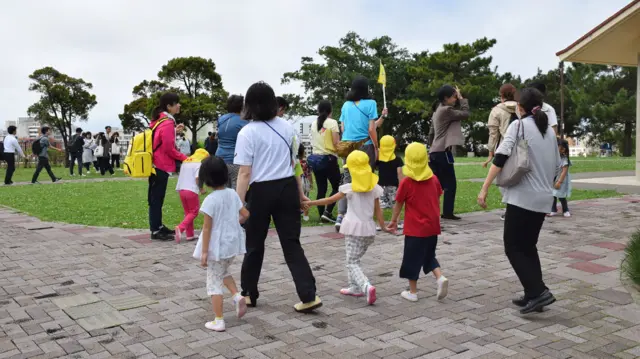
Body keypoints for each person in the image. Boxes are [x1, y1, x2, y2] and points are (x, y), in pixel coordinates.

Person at [234, 81, 322, 313]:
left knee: (254, 244)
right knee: (292, 244)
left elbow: (244, 173)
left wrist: (237, 204)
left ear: (249, 105)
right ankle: (308, 295)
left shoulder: (247, 132)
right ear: (274, 103)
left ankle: (249, 293)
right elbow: (294, 165)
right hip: (286, 190)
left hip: (260, 191)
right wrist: (301, 194)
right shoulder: (287, 128)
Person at [477, 87, 560, 314]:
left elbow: (500, 157)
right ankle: (534, 293)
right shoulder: (550, 133)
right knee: (528, 247)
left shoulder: (519, 125)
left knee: (513, 247)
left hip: (523, 197)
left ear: (520, 108)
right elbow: (557, 166)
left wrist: (484, 188)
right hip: (544, 198)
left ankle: (539, 292)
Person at [304, 150, 388, 305]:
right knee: (354, 258)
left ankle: (365, 286)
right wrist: (384, 227)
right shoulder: (374, 187)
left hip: (353, 230)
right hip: (369, 231)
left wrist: (311, 203)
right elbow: (378, 212)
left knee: (351, 262)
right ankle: (354, 287)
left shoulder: (348, 188)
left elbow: (329, 200)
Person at [193, 156, 249, 332]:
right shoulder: (232, 194)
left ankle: (219, 320)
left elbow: (207, 229)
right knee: (223, 271)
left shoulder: (210, 200)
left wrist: (204, 253)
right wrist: (233, 223)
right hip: (231, 245)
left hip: (216, 248)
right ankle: (237, 296)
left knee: (213, 282)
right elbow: (245, 214)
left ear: (206, 179)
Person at [387, 143, 448, 302]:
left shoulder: (406, 182)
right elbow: (438, 196)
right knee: (429, 255)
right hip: (432, 227)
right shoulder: (434, 179)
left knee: (411, 259)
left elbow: (398, 203)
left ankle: (412, 292)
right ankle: (440, 278)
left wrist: (394, 221)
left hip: (415, 229)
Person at [335, 76, 388, 231]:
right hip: (365, 146)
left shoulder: (346, 105)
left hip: (348, 147)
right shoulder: (371, 103)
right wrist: (376, 147)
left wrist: (382, 118)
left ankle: (341, 216)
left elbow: (344, 128)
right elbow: (371, 129)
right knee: (366, 179)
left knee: (347, 180)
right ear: (366, 89)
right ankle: (363, 214)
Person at [148, 92, 189, 241]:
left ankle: (157, 227)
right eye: (176, 103)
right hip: (160, 165)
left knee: (156, 199)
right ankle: (156, 230)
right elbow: (168, 149)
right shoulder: (167, 122)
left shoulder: (161, 120)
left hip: (156, 165)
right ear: (168, 106)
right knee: (156, 199)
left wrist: (174, 132)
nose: (179, 105)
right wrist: (186, 158)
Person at [428, 85, 469, 221]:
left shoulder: (438, 109)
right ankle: (447, 213)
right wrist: (462, 99)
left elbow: (431, 133)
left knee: (436, 185)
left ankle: (432, 211)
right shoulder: (446, 110)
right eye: (454, 96)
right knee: (450, 184)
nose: (456, 98)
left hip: (435, 151)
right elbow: (465, 114)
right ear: (446, 98)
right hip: (442, 152)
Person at [308, 100, 341, 223]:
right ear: (330, 111)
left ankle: (322, 215)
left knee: (321, 188)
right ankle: (328, 212)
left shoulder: (313, 123)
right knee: (338, 186)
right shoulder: (332, 123)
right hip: (329, 159)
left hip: (316, 160)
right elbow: (336, 143)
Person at [175, 149, 209, 243]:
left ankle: (190, 235)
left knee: (188, 213)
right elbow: (197, 177)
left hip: (182, 189)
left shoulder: (186, 161)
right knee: (194, 212)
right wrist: (201, 189)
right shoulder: (199, 164)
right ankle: (180, 228)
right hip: (191, 190)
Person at [216, 94, 249, 189]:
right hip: (235, 160)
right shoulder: (244, 122)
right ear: (242, 107)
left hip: (220, 159)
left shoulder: (221, 119)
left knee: (223, 190)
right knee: (236, 190)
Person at [484, 84, 518, 168]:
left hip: (504, 148)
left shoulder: (496, 110)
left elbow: (493, 134)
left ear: (501, 95)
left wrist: (490, 153)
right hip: (523, 147)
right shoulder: (523, 107)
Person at [376, 135, 403, 209]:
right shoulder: (398, 159)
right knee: (394, 204)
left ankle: (383, 208)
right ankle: (395, 219)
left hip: (381, 185)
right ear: (394, 145)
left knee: (381, 205)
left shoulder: (379, 159)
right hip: (393, 186)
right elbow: (400, 174)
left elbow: (374, 167)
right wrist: (401, 187)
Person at [550, 139, 572, 218]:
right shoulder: (554, 157)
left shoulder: (564, 159)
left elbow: (564, 172)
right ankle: (553, 210)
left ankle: (565, 210)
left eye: (563, 148)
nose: (562, 150)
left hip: (561, 180)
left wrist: (559, 182)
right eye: (560, 147)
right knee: (553, 195)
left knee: (561, 196)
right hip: (553, 178)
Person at [297, 144, 313, 221]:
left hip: (296, 181)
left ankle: (297, 213)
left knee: (296, 198)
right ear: (303, 152)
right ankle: (305, 216)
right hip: (304, 181)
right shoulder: (305, 162)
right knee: (305, 198)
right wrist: (311, 183)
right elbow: (309, 174)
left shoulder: (292, 161)